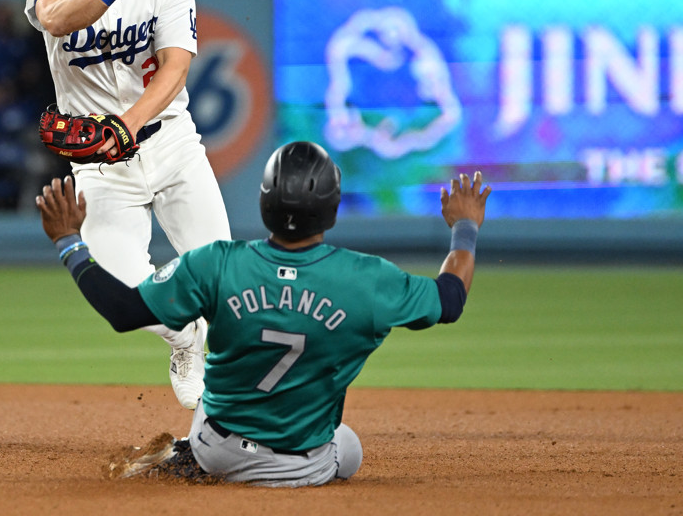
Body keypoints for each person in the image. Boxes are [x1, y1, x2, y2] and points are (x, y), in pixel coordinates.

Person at [36, 141, 492, 487]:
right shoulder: (365, 279)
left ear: (265, 201)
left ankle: (187, 453)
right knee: (347, 446)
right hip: (304, 466)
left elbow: (123, 310)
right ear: (332, 209)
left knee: (216, 400)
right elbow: (449, 299)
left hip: (217, 451)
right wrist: (465, 226)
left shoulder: (216, 263)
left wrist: (70, 243)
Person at [24, 0, 231, 410]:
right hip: (98, 164)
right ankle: (184, 341)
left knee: (223, 279)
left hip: (170, 143)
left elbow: (175, 68)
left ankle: (255, 403)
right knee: (127, 290)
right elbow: (55, 19)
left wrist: (127, 125)